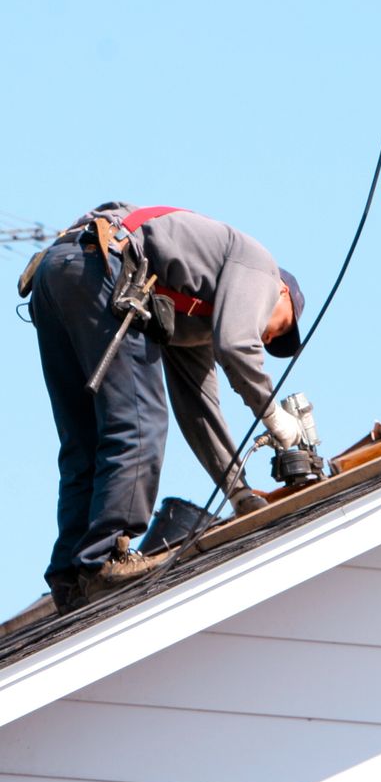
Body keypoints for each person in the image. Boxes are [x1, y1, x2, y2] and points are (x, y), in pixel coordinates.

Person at [27, 203, 306, 614]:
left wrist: (239, 492)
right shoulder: (260, 267)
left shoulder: (194, 313)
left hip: (60, 270)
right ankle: (105, 559)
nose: (267, 337)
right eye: (280, 326)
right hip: (103, 264)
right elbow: (237, 346)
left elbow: (199, 410)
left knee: (86, 441)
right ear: (282, 291)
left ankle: (71, 577)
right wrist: (273, 416)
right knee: (140, 423)